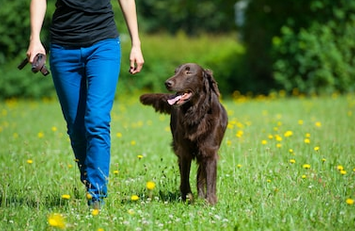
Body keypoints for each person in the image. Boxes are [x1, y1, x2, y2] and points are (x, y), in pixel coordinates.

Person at [26, 0, 144, 209]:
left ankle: (96, 196)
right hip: (63, 49)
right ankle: (90, 179)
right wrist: (35, 39)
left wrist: (136, 43)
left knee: (97, 119)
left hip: (103, 45)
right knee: (76, 125)